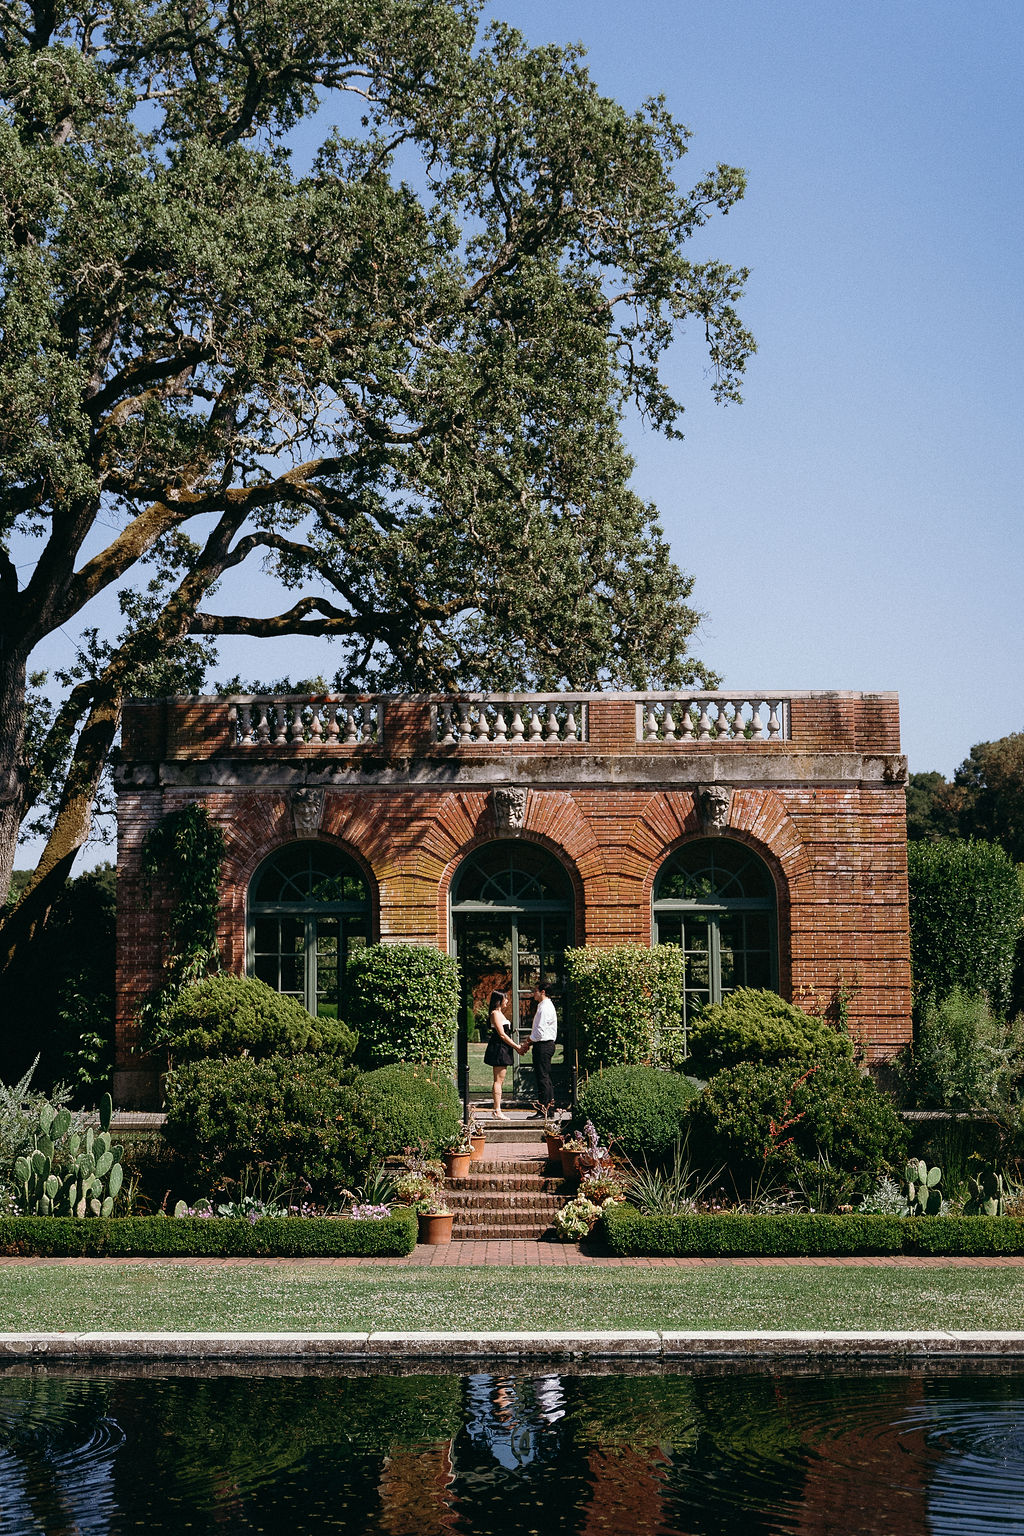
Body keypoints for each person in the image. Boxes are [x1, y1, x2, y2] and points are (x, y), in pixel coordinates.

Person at [483, 990, 527, 1118]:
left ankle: (497, 1109)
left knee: (500, 1081)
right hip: (499, 1049)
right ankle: (497, 1110)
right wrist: (517, 1047)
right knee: (498, 1080)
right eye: (505, 999)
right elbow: (502, 1035)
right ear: (499, 1000)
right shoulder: (495, 1013)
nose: (507, 1001)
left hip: (503, 1048)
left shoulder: (500, 1013)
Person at [528, 982, 558, 1114]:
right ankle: (548, 1108)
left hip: (543, 1045)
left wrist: (528, 1041)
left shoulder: (545, 1008)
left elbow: (539, 1031)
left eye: (536, 991)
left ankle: (544, 1109)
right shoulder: (544, 1006)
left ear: (543, 992)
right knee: (544, 1077)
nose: (534, 993)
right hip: (544, 1044)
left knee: (543, 1077)